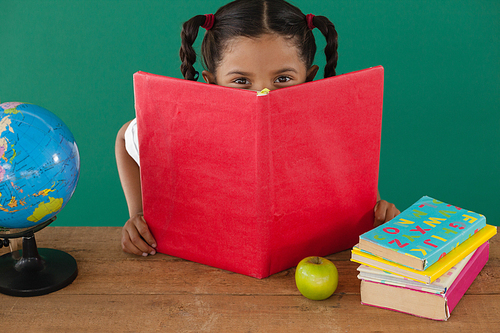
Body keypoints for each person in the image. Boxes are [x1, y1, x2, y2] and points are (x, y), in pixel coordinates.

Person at [115, 0, 400, 257]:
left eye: (283, 78)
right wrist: (138, 214)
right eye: (241, 81)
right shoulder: (185, 131)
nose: (262, 95)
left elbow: (363, 201)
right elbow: (126, 137)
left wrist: (381, 216)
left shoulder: (333, 130)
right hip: (199, 277)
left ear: (309, 78)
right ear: (211, 82)